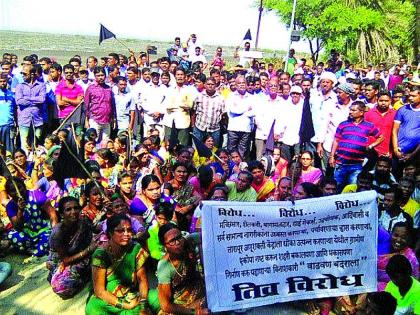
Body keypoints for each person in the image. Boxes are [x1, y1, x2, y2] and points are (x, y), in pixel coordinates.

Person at [85, 214, 156, 314]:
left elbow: (142, 280)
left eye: (129, 230)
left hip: (131, 294)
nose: (126, 234)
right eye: (120, 231)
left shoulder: (135, 248)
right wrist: (125, 305)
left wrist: (143, 305)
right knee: (94, 308)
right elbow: (99, 291)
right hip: (109, 299)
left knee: (156, 297)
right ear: (110, 233)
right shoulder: (100, 255)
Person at [47, 196, 95, 298]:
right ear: (61, 214)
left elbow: (95, 230)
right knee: (61, 287)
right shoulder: (58, 233)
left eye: (76, 208)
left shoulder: (83, 222)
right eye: (68, 209)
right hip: (64, 262)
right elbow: (65, 260)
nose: (73, 212)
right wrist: (88, 250)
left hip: (83, 257)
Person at [329, 101, 384, 190]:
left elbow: (381, 137)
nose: (350, 112)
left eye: (353, 110)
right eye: (350, 110)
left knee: (353, 189)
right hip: (341, 163)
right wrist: (331, 156)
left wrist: (370, 146)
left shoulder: (369, 126)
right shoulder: (343, 124)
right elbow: (336, 140)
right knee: (336, 188)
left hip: (356, 165)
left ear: (361, 112)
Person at [157, 223, 208, 314]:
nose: (178, 243)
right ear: (164, 245)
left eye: (179, 237)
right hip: (182, 306)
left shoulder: (189, 241)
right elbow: (165, 305)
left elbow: (209, 235)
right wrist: (195, 313)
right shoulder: (164, 266)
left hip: (202, 296)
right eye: (172, 241)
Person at [4, 177, 57, 256]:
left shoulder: (37, 195)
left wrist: (55, 231)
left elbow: (52, 214)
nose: (17, 192)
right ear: (9, 194)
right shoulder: (10, 206)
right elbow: (17, 227)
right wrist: (20, 210)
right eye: (13, 191)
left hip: (43, 229)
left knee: (48, 237)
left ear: (24, 186)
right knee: (12, 235)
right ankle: (36, 248)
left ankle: (36, 249)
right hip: (27, 233)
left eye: (19, 187)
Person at [377, 222, 419, 291]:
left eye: (403, 237)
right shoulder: (380, 248)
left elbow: (415, 280)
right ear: (391, 234)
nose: (398, 240)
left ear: (409, 239)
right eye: (396, 235)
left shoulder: (411, 258)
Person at [192, 77, 225, 148]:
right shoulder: (199, 96)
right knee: (196, 149)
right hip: (199, 127)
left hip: (214, 129)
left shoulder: (220, 98)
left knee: (214, 150)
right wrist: (193, 125)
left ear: (215, 85)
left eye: (212, 84)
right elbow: (194, 112)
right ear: (205, 85)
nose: (210, 86)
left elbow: (223, 114)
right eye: (208, 84)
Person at [85, 66, 114, 144]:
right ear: (95, 76)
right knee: (93, 142)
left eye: (102, 75)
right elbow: (86, 105)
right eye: (98, 76)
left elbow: (111, 104)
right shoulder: (90, 88)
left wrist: (112, 118)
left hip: (107, 120)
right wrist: (86, 121)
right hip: (95, 119)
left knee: (105, 143)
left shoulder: (109, 88)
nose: (101, 77)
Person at [168, 162, 201, 231]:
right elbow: (166, 199)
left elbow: (199, 198)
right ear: (173, 173)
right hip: (171, 215)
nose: (181, 174)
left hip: (185, 216)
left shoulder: (188, 186)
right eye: (179, 171)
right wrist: (177, 208)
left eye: (184, 172)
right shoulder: (168, 186)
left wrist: (189, 207)